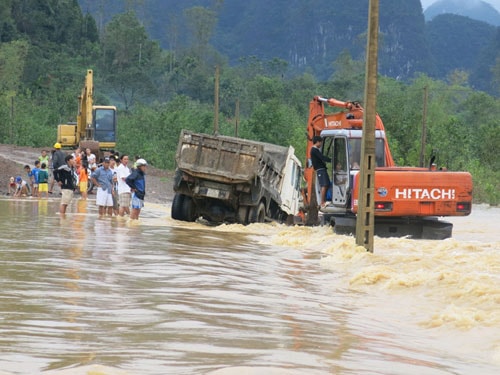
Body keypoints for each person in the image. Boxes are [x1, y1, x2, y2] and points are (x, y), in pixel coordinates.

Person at [310, 136, 332, 208]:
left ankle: (325, 200)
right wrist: (331, 160)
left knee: (327, 184)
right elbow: (322, 157)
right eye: (321, 142)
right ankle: (322, 202)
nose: (321, 144)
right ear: (317, 142)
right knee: (324, 185)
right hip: (320, 169)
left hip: (322, 169)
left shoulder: (315, 150)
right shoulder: (314, 150)